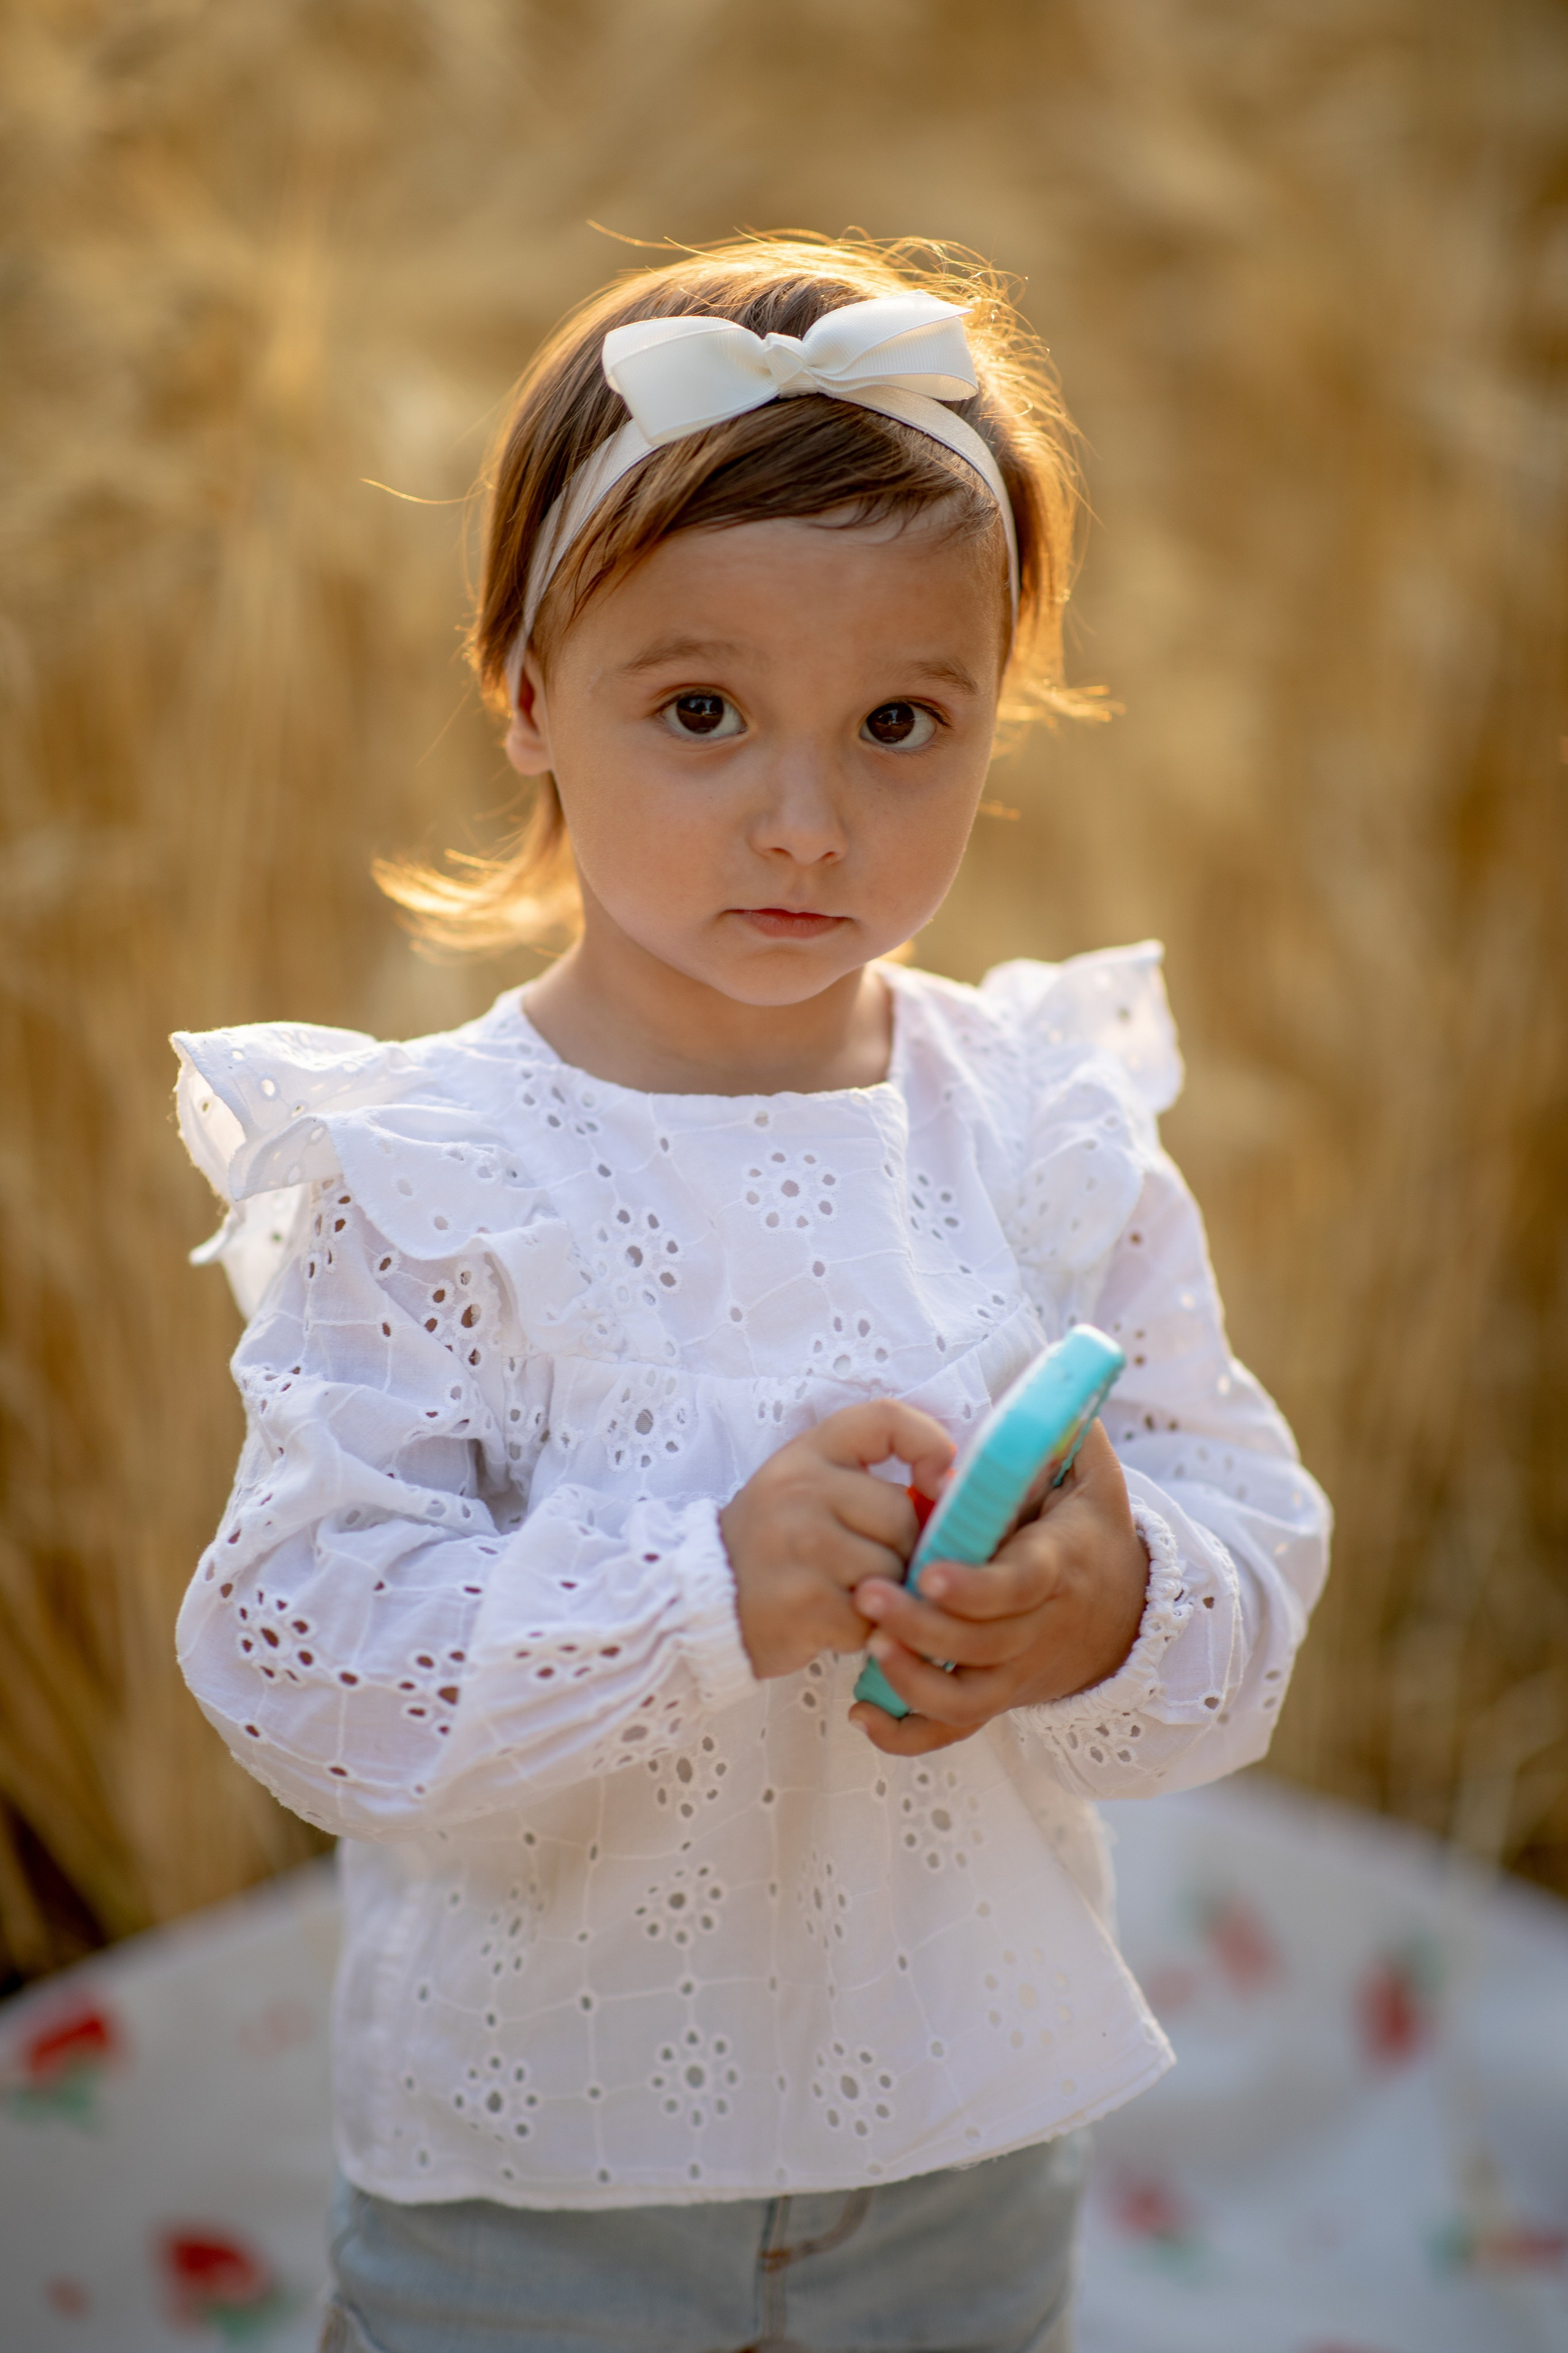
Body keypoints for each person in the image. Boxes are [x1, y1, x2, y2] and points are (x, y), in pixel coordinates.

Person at [172, 235, 1330, 2353]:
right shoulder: (428, 1177)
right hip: (545, 2163)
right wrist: (701, 1587)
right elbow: (307, 1666)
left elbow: (1251, 1552)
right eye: (700, 711)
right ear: (524, 690)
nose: (805, 820)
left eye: (903, 720)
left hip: (963, 2130)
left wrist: (1114, 1590)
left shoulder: (1047, 1130)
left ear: (999, 719)